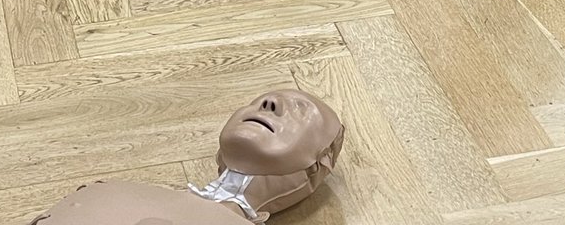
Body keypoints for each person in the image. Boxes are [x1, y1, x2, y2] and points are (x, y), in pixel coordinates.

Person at [29, 88, 344, 224]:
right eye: (261, 100)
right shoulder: (111, 190)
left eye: (300, 111)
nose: (269, 104)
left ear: (316, 169)